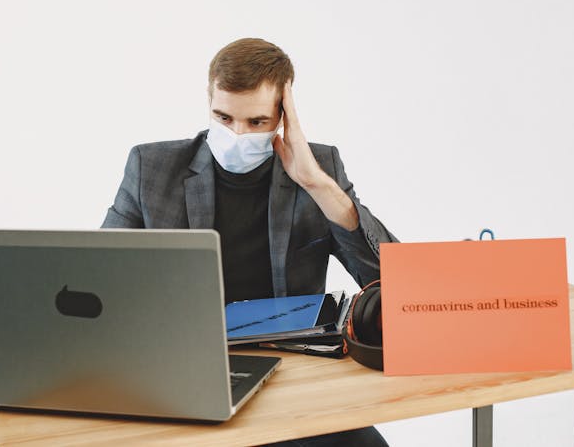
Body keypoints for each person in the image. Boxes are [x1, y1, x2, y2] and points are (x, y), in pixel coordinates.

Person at [103, 38, 395, 446]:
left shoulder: (320, 168)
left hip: (293, 372)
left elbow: (389, 282)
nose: (238, 134)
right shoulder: (151, 168)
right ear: (209, 100)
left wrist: (314, 182)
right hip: (186, 369)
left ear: (283, 115)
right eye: (224, 117)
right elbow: (101, 276)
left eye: (257, 122)